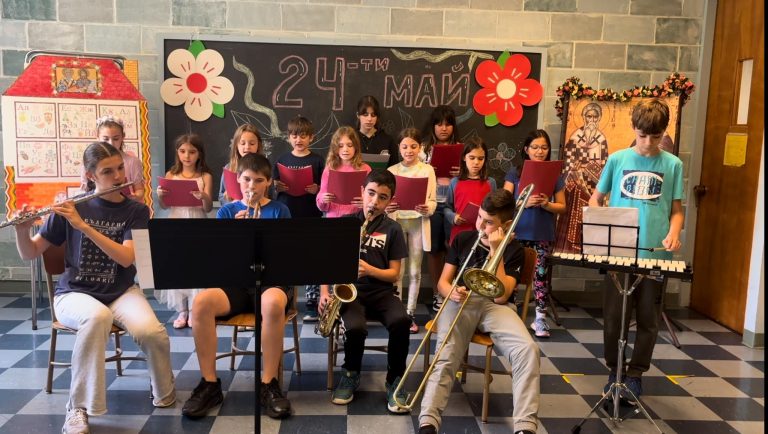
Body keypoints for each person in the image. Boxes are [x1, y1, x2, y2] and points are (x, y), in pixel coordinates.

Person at [14, 142, 175, 434]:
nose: (118, 176)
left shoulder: (137, 211)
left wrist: (84, 226)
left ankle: (164, 390)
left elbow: (126, 258)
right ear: (91, 175)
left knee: (151, 332)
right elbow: (30, 252)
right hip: (74, 293)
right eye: (107, 171)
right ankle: (78, 408)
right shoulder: (72, 207)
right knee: (97, 317)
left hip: (121, 291)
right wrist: (22, 230)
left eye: (119, 168)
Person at [418, 189, 540, 434]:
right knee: (447, 350)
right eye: (480, 217)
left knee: (528, 349)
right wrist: (451, 291)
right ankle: (428, 421)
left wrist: (497, 250)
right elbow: (443, 283)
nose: (481, 225)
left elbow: (501, 295)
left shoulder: (514, 249)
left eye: (489, 222)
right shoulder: (463, 239)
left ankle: (525, 427)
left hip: (497, 306)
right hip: (461, 301)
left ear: (506, 225)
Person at [183, 153, 293, 419]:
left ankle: (269, 383)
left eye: (258, 181)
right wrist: (235, 233)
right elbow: (218, 258)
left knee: (272, 303)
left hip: (270, 282)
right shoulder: (227, 211)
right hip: (236, 284)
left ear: (268, 182)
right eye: (246, 179)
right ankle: (210, 384)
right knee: (201, 303)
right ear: (238, 180)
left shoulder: (279, 210)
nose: (251, 186)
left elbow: (288, 254)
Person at [589, 98, 684, 404]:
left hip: (655, 254)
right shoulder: (617, 159)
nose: (647, 143)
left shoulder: (673, 164)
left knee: (648, 318)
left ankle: (635, 374)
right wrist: (599, 223)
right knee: (614, 317)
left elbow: (677, 210)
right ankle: (614, 370)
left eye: (655, 137)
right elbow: (596, 199)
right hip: (619, 252)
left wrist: (673, 233)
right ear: (633, 128)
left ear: (664, 132)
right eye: (642, 136)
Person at [320, 169, 411, 413]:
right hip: (351, 291)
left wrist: (370, 270)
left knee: (401, 321)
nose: (374, 202)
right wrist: (325, 293)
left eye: (382, 197)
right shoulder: (346, 223)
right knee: (356, 327)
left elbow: (394, 274)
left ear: (390, 201)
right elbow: (327, 262)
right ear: (362, 192)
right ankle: (350, 373)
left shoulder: (393, 229)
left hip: (382, 292)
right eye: (371, 193)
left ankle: (395, 380)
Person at [503, 130, 566, 338]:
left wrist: (547, 204)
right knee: (512, 273)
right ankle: (508, 312)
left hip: (542, 233)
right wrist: (523, 202)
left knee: (540, 276)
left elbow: (562, 206)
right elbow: (505, 202)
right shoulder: (515, 172)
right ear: (526, 149)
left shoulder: (555, 174)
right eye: (535, 147)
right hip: (517, 232)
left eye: (544, 147)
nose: (540, 151)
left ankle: (540, 318)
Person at [155, 134, 214, 328]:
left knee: (196, 266)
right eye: (182, 151)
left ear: (199, 154)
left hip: (197, 222)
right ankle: (182, 310)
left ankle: (195, 309)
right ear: (177, 153)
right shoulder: (171, 174)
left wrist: (204, 196)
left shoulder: (205, 176)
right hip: (176, 222)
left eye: (192, 152)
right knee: (178, 265)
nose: (187, 156)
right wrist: (160, 195)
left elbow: (208, 208)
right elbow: (164, 206)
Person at [273, 115, 325, 321]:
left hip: (311, 214)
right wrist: (277, 187)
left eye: (303, 136)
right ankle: (286, 299)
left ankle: (312, 301)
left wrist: (317, 189)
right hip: (287, 214)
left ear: (311, 138)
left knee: (312, 257)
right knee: (287, 258)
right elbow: (272, 186)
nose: (298, 140)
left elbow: (326, 188)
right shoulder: (281, 160)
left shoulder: (318, 160)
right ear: (288, 137)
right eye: (294, 136)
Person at [387, 128, 437, 333]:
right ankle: (397, 313)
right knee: (398, 272)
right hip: (397, 224)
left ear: (420, 147)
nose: (409, 150)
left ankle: (410, 313)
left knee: (415, 272)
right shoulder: (392, 171)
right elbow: (386, 200)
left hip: (417, 223)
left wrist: (428, 208)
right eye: (405, 146)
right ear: (399, 148)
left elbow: (432, 200)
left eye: (413, 146)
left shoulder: (428, 170)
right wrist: (388, 206)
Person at [420, 105, 462, 314]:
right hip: (432, 202)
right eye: (439, 124)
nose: (443, 128)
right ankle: (438, 292)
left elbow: (470, 175)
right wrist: (427, 169)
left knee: (452, 247)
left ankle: (453, 290)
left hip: (454, 202)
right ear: (433, 126)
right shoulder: (423, 149)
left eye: (448, 124)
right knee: (435, 249)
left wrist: (460, 172)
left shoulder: (462, 149)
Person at [556, 102, 609, 252]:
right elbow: (568, 162)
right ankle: (571, 248)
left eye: (595, 117)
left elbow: (604, 165)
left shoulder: (601, 139)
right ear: (584, 117)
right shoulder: (575, 137)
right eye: (589, 116)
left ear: (599, 118)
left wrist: (589, 170)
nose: (591, 120)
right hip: (575, 188)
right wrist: (574, 168)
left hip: (593, 189)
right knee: (573, 222)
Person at [445, 137, 497, 245]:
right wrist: (453, 217)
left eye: (481, 158)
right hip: (460, 233)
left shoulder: (490, 182)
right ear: (464, 157)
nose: (476, 162)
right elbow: (447, 207)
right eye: (472, 158)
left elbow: (496, 209)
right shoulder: (455, 182)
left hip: (483, 235)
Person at [80, 116, 145, 203]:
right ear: (97, 137)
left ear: (123, 137)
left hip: (124, 207)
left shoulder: (133, 161)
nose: (111, 143)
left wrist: (134, 197)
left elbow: (139, 189)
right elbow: (84, 189)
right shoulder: (89, 161)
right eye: (106, 139)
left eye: (116, 139)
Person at [316, 126, 372, 217]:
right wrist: (323, 199)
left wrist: (365, 202)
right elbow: (321, 204)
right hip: (334, 217)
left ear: (356, 147)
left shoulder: (365, 169)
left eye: (350, 145)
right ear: (335, 148)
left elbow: (371, 198)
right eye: (340, 146)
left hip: (356, 217)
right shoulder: (330, 168)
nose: (345, 149)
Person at [218, 123, 262, 206]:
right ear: (236, 146)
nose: (247, 147)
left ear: (258, 145)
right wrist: (228, 200)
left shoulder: (263, 168)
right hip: (235, 211)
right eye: (242, 143)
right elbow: (221, 196)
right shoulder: (229, 168)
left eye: (252, 143)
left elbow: (270, 195)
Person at [355, 95, 399, 168]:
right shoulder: (351, 139)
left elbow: (394, 168)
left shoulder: (387, 140)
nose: (369, 119)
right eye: (365, 115)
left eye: (373, 115)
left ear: (377, 117)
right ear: (358, 115)